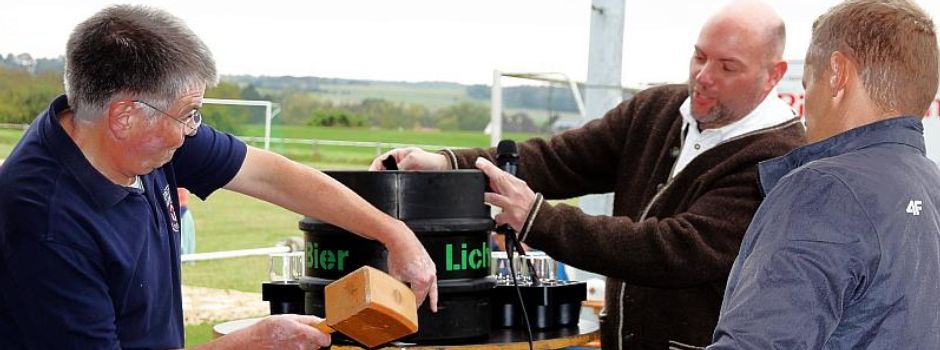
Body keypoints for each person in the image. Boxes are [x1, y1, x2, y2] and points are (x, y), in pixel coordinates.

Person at [0, 5, 437, 349]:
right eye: (190, 114)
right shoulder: (44, 222)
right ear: (126, 116)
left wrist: (393, 231)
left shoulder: (148, 137)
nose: (195, 129)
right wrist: (247, 345)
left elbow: (270, 175)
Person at [371, 1, 804, 348]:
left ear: (774, 75)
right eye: (698, 56)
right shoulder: (655, 110)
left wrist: (538, 219)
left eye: (728, 67)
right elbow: (560, 159)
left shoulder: (779, 157)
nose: (703, 77)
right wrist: (449, 164)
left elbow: (675, 248)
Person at [708, 0, 940, 348]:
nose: (806, 107)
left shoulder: (825, 189)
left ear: (836, 73)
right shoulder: (931, 186)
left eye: (807, 84)